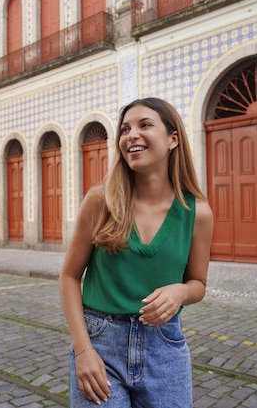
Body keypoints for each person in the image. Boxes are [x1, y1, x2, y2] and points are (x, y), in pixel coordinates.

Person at [59, 97, 214, 407]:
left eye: (145, 125)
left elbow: (198, 284)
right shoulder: (99, 201)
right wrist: (83, 350)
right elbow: (69, 276)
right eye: (125, 128)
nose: (131, 135)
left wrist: (180, 292)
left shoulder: (197, 212)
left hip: (164, 348)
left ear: (173, 139)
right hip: (101, 344)